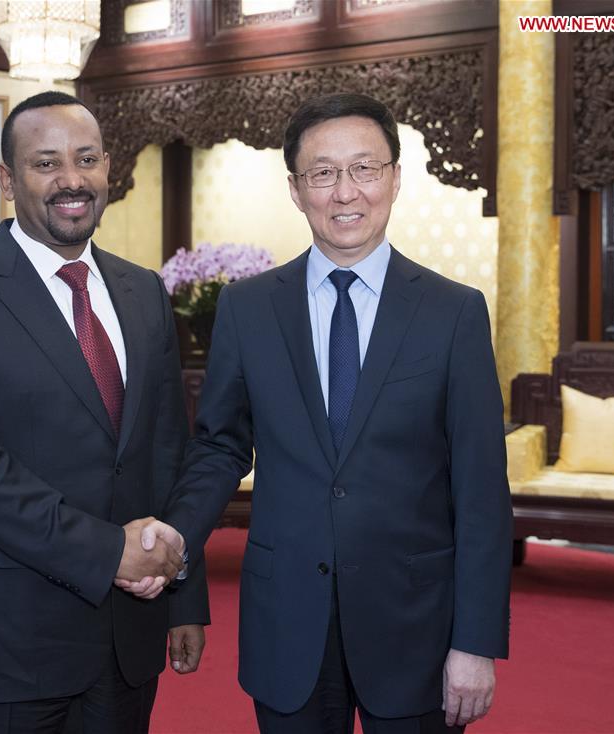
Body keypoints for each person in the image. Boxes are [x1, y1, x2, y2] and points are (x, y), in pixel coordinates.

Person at [128, 93, 513, 733]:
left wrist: (475, 641)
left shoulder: (454, 312)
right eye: (323, 173)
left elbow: (481, 491)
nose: (345, 192)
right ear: (295, 189)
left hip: (415, 625)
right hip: (287, 621)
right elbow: (220, 446)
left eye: (364, 168)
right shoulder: (248, 308)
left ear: (395, 178)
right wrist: (178, 534)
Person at [0, 91, 207, 734]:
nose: (72, 179)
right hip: (8, 643)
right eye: (46, 163)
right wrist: (109, 552)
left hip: (129, 638)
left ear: (107, 168)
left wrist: (184, 593)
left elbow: (167, 453)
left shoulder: (144, 290)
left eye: (86, 159)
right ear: (7, 181)